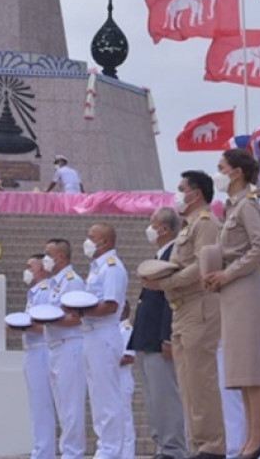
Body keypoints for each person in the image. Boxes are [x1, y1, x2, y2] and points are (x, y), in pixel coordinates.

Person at [146, 170, 227, 459]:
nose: (178, 195)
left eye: (182, 189)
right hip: (181, 309)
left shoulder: (205, 223)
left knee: (200, 381)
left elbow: (202, 264)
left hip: (198, 306)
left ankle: (212, 447)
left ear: (197, 193)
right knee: (188, 384)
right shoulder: (187, 226)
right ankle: (197, 445)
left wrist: (167, 282)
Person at [202, 148, 260, 459]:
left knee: (250, 367)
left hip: (245, 288)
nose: (218, 173)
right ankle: (251, 437)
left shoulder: (247, 206)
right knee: (240, 371)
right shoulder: (230, 208)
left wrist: (228, 273)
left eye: (222, 167)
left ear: (237, 172)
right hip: (231, 290)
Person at [130, 206, 188, 459]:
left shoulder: (174, 255)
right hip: (147, 336)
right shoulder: (160, 254)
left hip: (159, 337)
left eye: (152, 223)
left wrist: (168, 336)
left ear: (163, 228)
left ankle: (174, 448)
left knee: (166, 396)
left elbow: (171, 299)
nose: (150, 228)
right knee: (153, 397)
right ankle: (162, 445)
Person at [79, 222, 130, 458]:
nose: (87, 241)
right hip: (91, 334)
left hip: (104, 333)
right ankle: (105, 447)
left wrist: (80, 311)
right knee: (98, 397)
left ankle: (111, 450)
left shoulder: (111, 267)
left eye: (92, 237)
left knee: (107, 397)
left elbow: (111, 305)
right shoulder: (97, 268)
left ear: (106, 242)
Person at [43, 238, 86, 459]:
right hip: (55, 347)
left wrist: (51, 320)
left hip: (70, 346)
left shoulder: (72, 281)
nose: (45, 259)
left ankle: (73, 453)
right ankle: (67, 452)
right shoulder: (54, 283)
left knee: (71, 406)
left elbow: (78, 317)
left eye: (48, 254)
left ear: (60, 256)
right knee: (61, 405)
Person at [14, 254, 55, 459]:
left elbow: (46, 325)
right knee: (37, 406)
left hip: (41, 349)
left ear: (42, 268)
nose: (27, 271)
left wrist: (23, 325)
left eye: (31, 266)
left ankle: (44, 452)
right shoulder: (35, 292)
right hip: (32, 349)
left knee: (42, 405)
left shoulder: (45, 291)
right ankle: (40, 450)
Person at [119, 301, 137, 459]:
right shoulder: (114, 329)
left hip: (122, 381)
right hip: (112, 381)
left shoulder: (126, 329)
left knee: (125, 421)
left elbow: (129, 357)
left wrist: (105, 362)